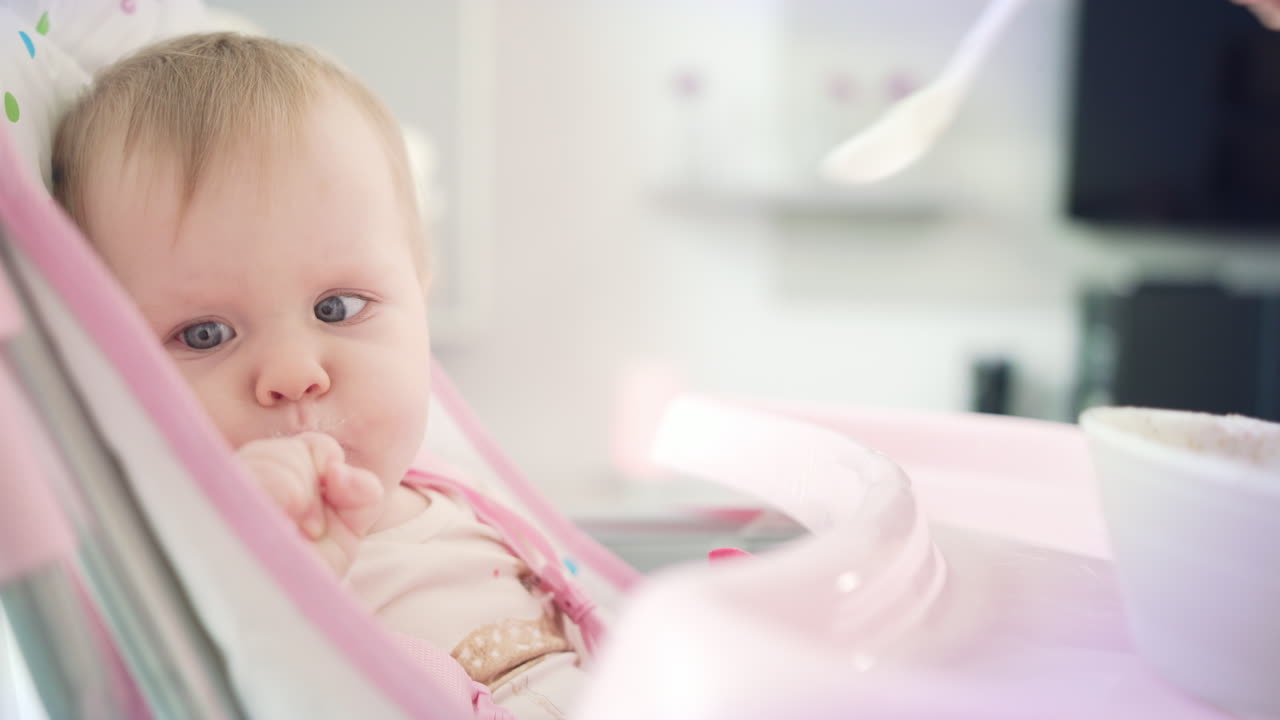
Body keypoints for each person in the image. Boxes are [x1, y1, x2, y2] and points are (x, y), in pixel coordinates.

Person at [52, 32, 592, 719]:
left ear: (420, 294)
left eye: (336, 308)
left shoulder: (462, 495)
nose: (293, 374)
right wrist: (265, 585)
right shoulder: (195, 578)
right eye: (204, 333)